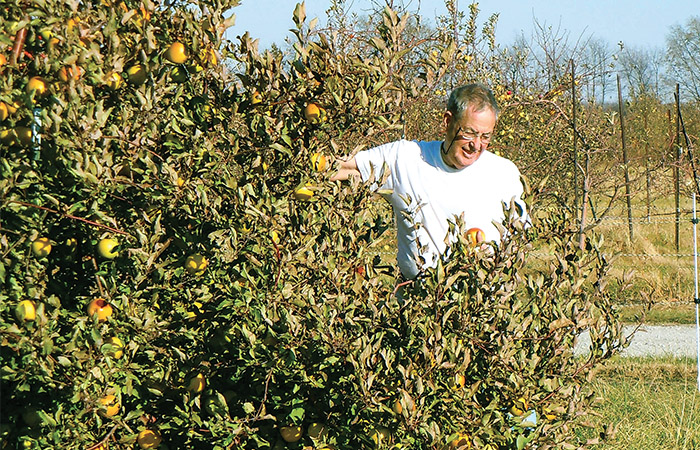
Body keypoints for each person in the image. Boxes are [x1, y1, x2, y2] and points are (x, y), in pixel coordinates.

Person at [331, 83, 528, 281]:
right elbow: (344, 168)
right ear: (447, 121)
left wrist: (494, 260)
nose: (476, 145)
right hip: (418, 303)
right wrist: (305, 160)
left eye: (485, 136)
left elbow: (520, 240)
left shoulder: (504, 173)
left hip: (481, 305)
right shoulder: (407, 159)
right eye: (469, 133)